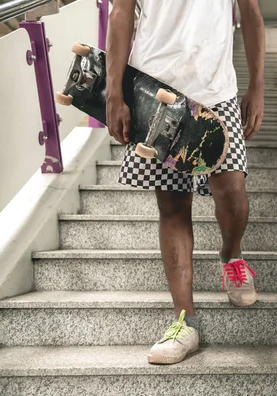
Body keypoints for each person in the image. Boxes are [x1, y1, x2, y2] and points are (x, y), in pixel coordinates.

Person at [105, 0, 265, 365]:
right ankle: (184, 322)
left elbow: (252, 16)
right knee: (173, 203)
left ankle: (232, 254)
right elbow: (121, 13)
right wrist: (114, 91)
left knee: (232, 188)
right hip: (155, 89)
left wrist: (257, 87)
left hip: (216, 90)